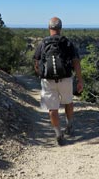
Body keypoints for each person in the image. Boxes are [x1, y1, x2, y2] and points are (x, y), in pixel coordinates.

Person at [33, 17, 83, 146]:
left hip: (48, 80)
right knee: (68, 102)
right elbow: (76, 62)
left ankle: (58, 134)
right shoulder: (67, 43)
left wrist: (41, 75)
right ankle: (70, 126)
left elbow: (37, 63)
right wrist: (79, 79)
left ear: (49, 28)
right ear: (60, 28)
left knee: (52, 108)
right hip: (65, 78)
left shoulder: (43, 43)